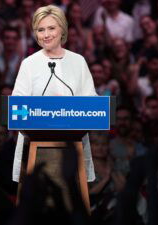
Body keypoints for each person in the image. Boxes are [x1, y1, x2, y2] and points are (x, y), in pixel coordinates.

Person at [11, 4, 97, 196]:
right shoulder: (29, 64)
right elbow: (17, 106)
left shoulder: (78, 61)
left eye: (51, 28)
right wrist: (41, 111)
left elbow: (92, 102)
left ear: (62, 30)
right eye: (41, 30)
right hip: (35, 145)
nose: (46, 34)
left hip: (72, 144)